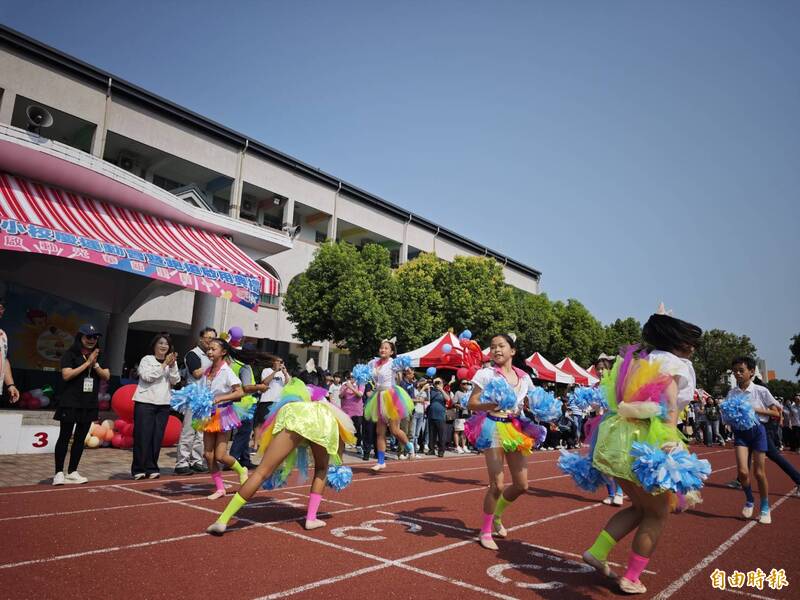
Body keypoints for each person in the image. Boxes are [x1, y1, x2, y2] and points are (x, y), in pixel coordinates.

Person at [582, 312, 702, 595]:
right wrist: (671, 444)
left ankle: (598, 552)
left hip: (618, 439)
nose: (693, 348)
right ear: (677, 341)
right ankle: (632, 577)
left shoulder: (639, 359)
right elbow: (671, 408)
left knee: (639, 507)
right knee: (659, 512)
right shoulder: (674, 364)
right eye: (689, 340)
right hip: (649, 441)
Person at [206, 378, 355, 535]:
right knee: (321, 468)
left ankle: (222, 520)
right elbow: (340, 438)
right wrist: (339, 463)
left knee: (261, 472)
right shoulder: (326, 407)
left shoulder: (293, 399)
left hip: (296, 415)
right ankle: (311, 518)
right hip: (322, 421)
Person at [465, 333, 536, 551]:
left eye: (501, 346)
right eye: (493, 347)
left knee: (522, 485)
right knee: (497, 484)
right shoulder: (486, 374)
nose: (496, 350)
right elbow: (472, 403)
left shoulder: (524, 377)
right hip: (493, 427)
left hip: (515, 428)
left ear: (512, 351)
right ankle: (485, 531)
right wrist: (491, 405)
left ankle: (497, 515)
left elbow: (531, 402)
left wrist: (541, 408)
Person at [727, 356, 782, 524]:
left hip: (758, 431)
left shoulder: (760, 391)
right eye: (735, 371)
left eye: (741, 370)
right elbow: (729, 414)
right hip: (741, 433)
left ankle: (765, 506)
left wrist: (755, 410)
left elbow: (776, 413)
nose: (737, 374)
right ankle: (750, 499)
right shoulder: (732, 392)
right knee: (743, 472)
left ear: (751, 372)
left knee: (759, 473)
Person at [53, 324, 110, 485]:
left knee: (80, 439)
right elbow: (66, 375)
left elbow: (106, 376)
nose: (92, 340)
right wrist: (87, 363)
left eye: (95, 337)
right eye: (88, 337)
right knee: (64, 437)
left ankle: (72, 471)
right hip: (70, 402)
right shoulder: (70, 353)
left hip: (89, 403)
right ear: (81, 337)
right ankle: (58, 472)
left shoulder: (99, 355)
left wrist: (96, 363)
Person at [195, 338, 248, 500]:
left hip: (223, 414)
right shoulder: (207, 371)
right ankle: (220, 488)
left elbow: (239, 392)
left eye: (214, 349)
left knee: (220, 455)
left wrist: (221, 398)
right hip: (208, 414)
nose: (210, 352)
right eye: (209, 349)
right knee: (208, 455)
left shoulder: (227, 371)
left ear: (223, 352)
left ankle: (241, 470)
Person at [131, 333, 180, 479]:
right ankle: (138, 468)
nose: (163, 346)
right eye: (161, 343)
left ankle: (152, 467)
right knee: (142, 436)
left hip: (163, 403)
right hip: (145, 402)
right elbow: (147, 377)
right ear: (154, 345)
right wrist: (163, 365)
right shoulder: (147, 359)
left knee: (156, 437)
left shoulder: (172, 362)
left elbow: (175, 380)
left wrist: (171, 366)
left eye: (166, 344)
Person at [362, 340, 415, 471]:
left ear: (391, 352)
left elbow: (405, 368)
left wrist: (406, 366)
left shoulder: (393, 363)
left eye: (386, 348)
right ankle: (381, 461)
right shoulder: (372, 363)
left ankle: (409, 445)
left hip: (391, 396)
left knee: (394, 430)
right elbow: (366, 375)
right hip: (378, 397)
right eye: (381, 347)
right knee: (379, 432)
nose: (383, 350)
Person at [175, 327, 216, 475]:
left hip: (205, 398)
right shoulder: (193, 354)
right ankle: (181, 463)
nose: (210, 341)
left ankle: (196, 461)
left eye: (213, 338)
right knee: (188, 430)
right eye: (208, 338)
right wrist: (213, 362)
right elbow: (197, 373)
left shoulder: (210, 356)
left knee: (200, 432)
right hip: (193, 396)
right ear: (201, 338)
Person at [228, 346, 266, 470]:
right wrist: (260, 387)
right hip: (245, 404)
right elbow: (247, 387)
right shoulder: (245, 367)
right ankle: (231, 460)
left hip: (235, 402)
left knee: (244, 432)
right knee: (244, 433)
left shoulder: (234, 365)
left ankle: (245, 459)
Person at [0, 297, 20, 405]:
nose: (1, 310)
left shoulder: (2, 335)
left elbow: (4, 360)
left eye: (2, 308)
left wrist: (10, 385)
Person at [339, 371, 365, 453]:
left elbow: (360, 395)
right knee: (346, 428)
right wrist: (346, 388)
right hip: (346, 410)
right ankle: (346, 444)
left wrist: (351, 387)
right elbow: (340, 396)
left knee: (357, 428)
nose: (351, 379)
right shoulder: (344, 385)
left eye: (352, 377)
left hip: (357, 411)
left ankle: (358, 445)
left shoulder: (360, 385)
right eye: (349, 378)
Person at [426, 378, 449, 457]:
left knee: (441, 435)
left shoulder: (444, 392)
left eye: (439, 382)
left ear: (442, 383)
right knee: (432, 434)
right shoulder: (431, 391)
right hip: (431, 415)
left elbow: (448, 399)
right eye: (436, 382)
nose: (437, 383)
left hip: (440, 416)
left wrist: (441, 390)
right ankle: (431, 449)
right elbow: (427, 399)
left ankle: (441, 450)